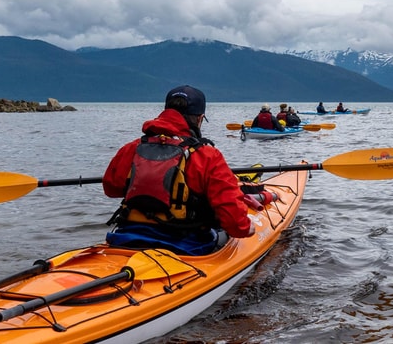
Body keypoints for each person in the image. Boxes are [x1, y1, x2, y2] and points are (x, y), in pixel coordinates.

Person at [102, 85, 270, 256]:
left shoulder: (132, 148)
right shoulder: (207, 155)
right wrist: (247, 227)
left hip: (126, 238)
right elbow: (236, 225)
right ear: (200, 119)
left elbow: (111, 188)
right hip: (186, 246)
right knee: (224, 233)